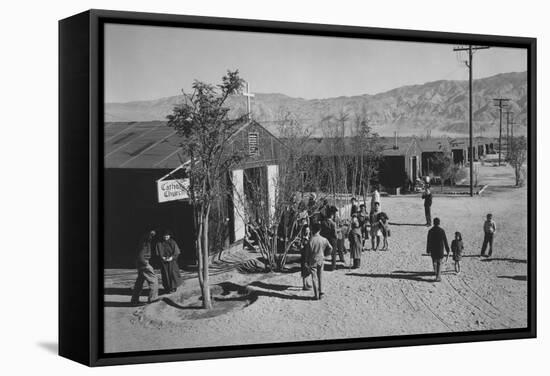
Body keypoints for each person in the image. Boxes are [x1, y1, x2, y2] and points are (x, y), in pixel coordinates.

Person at [130, 230, 159, 304]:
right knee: (154, 280)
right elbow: (140, 253)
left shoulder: (144, 241)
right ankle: (153, 299)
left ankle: (134, 300)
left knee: (140, 281)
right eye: (151, 234)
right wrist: (144, 263)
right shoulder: (144, 241)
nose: (152, 236)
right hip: (143, 263)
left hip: (141, 262)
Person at [307, 223, 332, 300]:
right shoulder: (324, 239)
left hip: (313, 259)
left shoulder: (311, 240)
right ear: (320, 230)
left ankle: (316, 294)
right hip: (321, 258)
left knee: (314, 278)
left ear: (312, 230)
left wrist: (307, 261)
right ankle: (321, 292)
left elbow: (308, 252)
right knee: (320, 276)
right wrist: (327, 255)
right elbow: (330, 247)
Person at [426, 217, 450, 282]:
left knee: (434, 262)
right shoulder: (442, 231)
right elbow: (445, 241)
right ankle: (438, 276)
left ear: (433, 223)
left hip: (433, 250)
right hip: (440, 250)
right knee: (439, 263)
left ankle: (436, 272)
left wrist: (428, 250)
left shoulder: (430, 231)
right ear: (439, 223)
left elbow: (428, 241)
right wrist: (448, 249)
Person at [299, 225, 312, 291]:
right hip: (304, 256)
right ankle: (304, 285)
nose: (307, 231)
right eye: (306, 230)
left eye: (308, 230)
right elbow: (301, 247)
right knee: (304, 270)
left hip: (309, 256)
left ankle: (307, 282)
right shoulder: (303, 238)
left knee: (308, 270)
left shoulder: (309, 237)